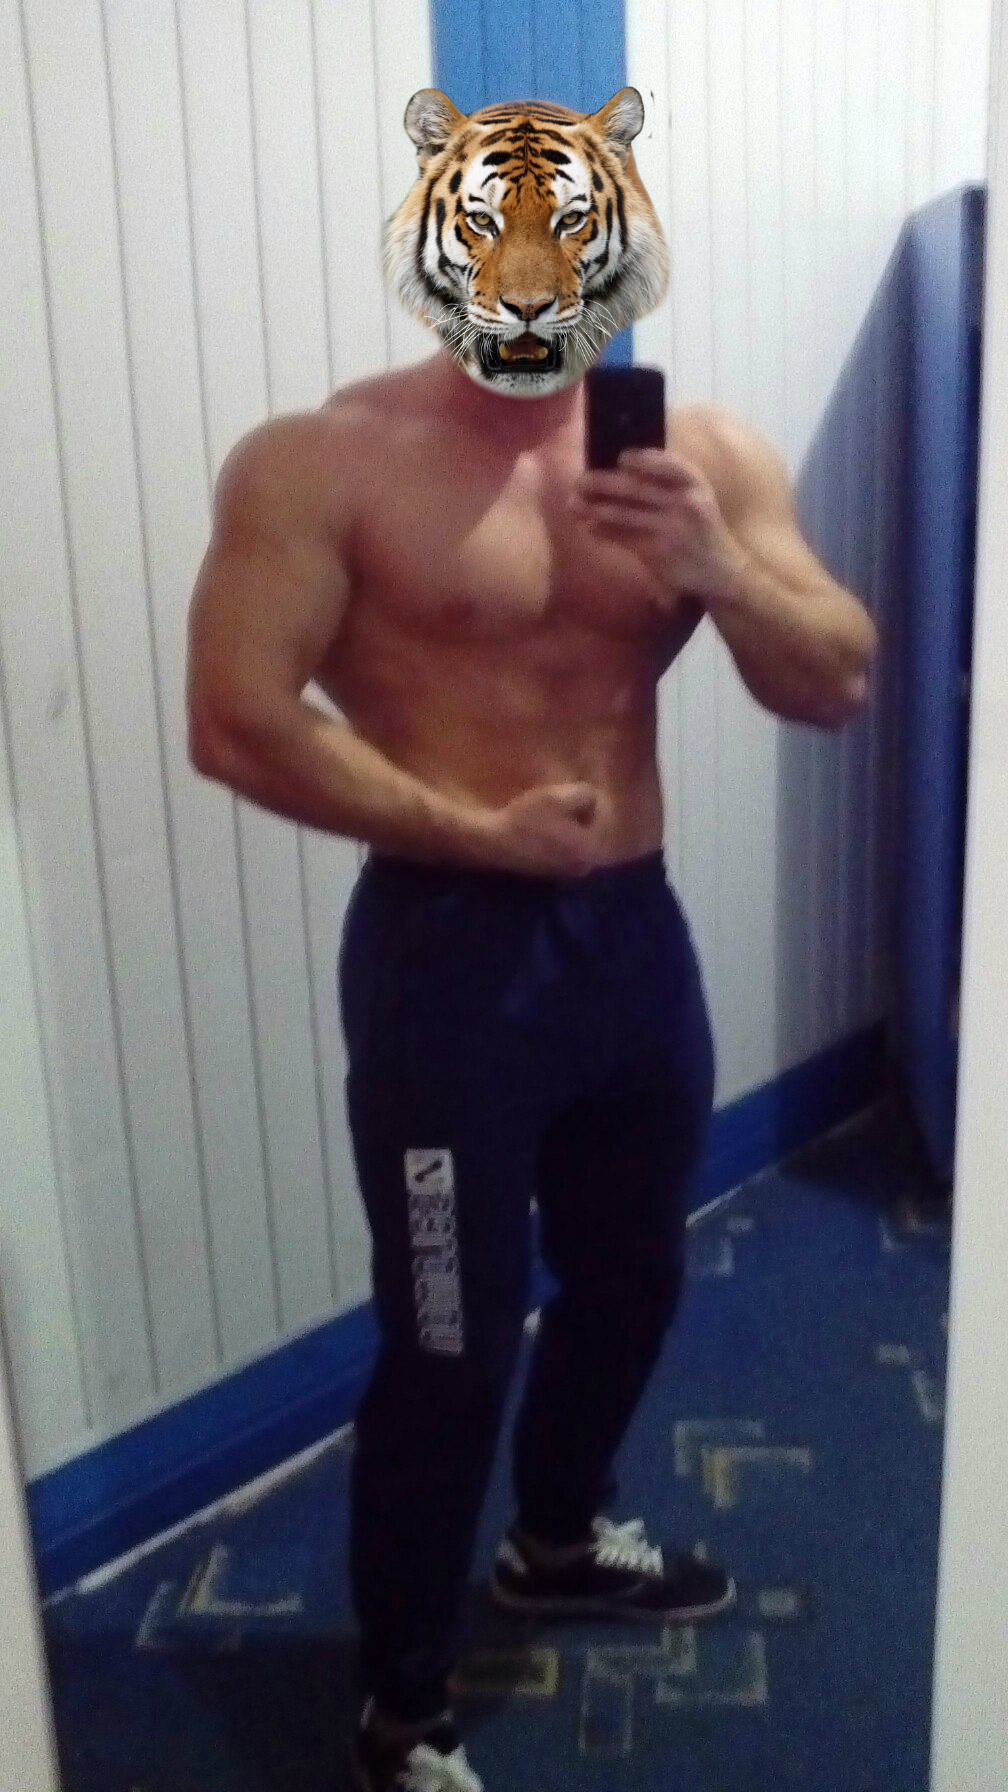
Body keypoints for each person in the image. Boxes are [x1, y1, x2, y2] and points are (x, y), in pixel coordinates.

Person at [185, 91, 877, 1792]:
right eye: (488, 233)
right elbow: (234, 720)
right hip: (448, 961)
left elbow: (840, 676)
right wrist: (471, 833)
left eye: (565, 231)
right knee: (450, 1340)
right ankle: (402, 1708)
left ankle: (556, 1537)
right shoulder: (320, 463)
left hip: (632, 945)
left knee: (639, 1272)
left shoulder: (700, 459)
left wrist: (720, 570)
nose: (524, 268)